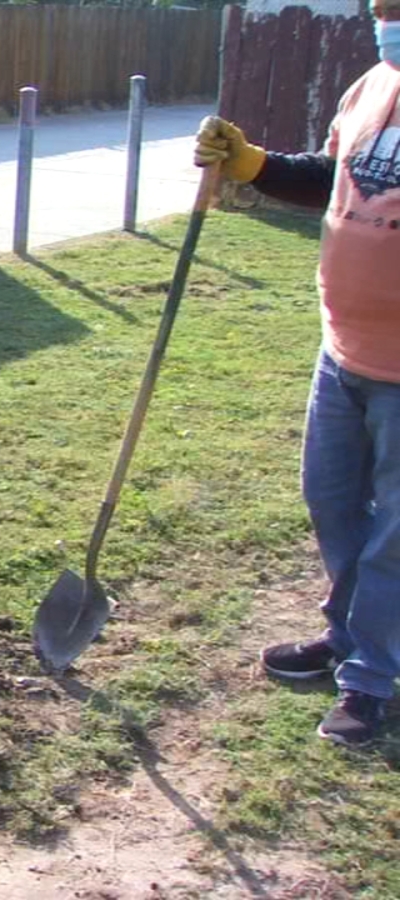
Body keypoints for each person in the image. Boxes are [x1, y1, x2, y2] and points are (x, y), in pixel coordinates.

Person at [195, 0, 400, 747]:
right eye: (380, 4)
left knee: (394, 537)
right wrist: (252, 165)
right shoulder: (372, 85)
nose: (384, 14)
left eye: (395, 6)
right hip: (343, 348)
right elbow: (333, 180)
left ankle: (370, 679)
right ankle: (350, 634)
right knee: (332, 502)